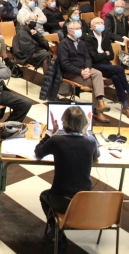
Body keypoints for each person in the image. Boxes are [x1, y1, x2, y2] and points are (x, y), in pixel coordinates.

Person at [35, 106, 100, 247]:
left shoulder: (56, 140)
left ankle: (56, 228)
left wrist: (50, 134)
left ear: (64, 123)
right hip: (85, 200)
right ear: (84, 123)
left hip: (60, 199)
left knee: (43, 196)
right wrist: (87, 132)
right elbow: (96, 155)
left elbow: (38, 152)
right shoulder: (90, 141)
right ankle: (58, 229)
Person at [84, 17, 129, 119]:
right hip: (95, 66)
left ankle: (125, 107)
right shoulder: (88, 38)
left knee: (116, 77)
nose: (100, 24)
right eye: (97, 23)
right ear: (92, 27)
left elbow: (111, 55)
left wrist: (104, 54)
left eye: (102, 22)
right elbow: (94, 57)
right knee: (119, 69)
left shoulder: (105, 36)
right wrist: (105, 53)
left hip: (106, 64)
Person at [57, 20, 111, 122]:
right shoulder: (63, 44)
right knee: (96, 83)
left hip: (84, 69)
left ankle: (100, 103)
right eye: (77, 29)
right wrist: (80, 72)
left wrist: (87, 68)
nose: (80, 30)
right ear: (69, 31)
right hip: (71, 72)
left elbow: (88, 58)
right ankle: (98, 111)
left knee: (98, 73)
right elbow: (65, 64)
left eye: (80, 28)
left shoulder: (81, 42)